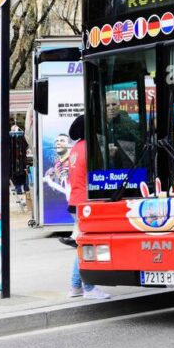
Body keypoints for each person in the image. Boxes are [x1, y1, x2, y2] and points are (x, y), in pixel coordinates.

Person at [66, 115, 110, 300]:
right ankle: (88, 288)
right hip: (87, 203)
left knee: (81, 243)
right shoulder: (91, 148)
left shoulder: (76, 148)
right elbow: (100, 175)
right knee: (86, 245)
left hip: (76, 201)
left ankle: (76, 287)